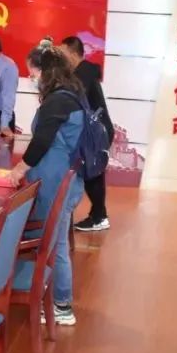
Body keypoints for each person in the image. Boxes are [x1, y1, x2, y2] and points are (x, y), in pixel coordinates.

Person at [3, 46, 85, 326]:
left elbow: (41, 142)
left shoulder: (57, 101)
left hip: (55, 178)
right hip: (65, 177)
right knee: (54, 239)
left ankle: (62, 305)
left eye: (33, 72)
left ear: (46, 71)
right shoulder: (70, 94)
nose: (31, 78)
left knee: (55, 241)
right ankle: (53, 297)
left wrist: (19, 169)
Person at [59, 36, 115, 232]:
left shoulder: (83, 73)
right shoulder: (80, 72)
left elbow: (73, 98)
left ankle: (99, 216)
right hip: (94, 131)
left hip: (97, 132)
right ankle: (98, 215)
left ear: (73, 54)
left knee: (93, 173)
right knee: (92, 173)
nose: (60, 57)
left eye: (63, 53)